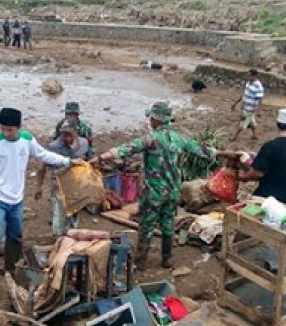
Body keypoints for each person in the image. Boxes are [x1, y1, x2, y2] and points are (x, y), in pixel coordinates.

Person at [97, 102, 238, 270]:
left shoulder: (151, 138)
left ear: (156, 119)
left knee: (147, 225)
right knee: (168, 224)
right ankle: (167, 259)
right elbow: (203, 150)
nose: (150, 121)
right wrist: (228, 154)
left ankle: (140, 261)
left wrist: (100, 158)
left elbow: (125, 149)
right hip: (172, 192)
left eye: (151, 118)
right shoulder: (179, 139)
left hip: (154, 192)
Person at [0, 108, 80, 304]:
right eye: (3, 129)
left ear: (18, 127)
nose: (6, 133)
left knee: (15, 236)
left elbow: (44, 155)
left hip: (16, 200)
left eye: (10, 130)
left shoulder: (26, 140)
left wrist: (68, 162)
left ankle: (10, 271)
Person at [238, 108, 286, 209]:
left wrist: (243, 177)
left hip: (267, 197)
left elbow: (257, 173)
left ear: (277, 124)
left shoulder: (270, 146)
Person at [35, 118, 94, 236]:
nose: (66, 138)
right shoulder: (54, 146)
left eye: (69, 134)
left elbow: (90, 160)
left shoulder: (84, 143)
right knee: (59, 214)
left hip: (77, 185)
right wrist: (39, 186)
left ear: (76, 131)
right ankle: (58, 237)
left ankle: (71, 236)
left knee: (74, 212)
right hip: (59, 185)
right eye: (63, 134)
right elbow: (42, 167)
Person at [230, 69, 264, 141]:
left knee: (243, 121)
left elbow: (260, 99)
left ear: (254, 76)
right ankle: (254, 135)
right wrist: (236, 103)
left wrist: (259, 110)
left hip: (250, 108)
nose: (247, 77)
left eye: (249, 75)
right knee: (251, 122)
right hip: (246, 106)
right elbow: (244, 94)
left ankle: (234, 137)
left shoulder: (258, 86)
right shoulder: (248, 83)